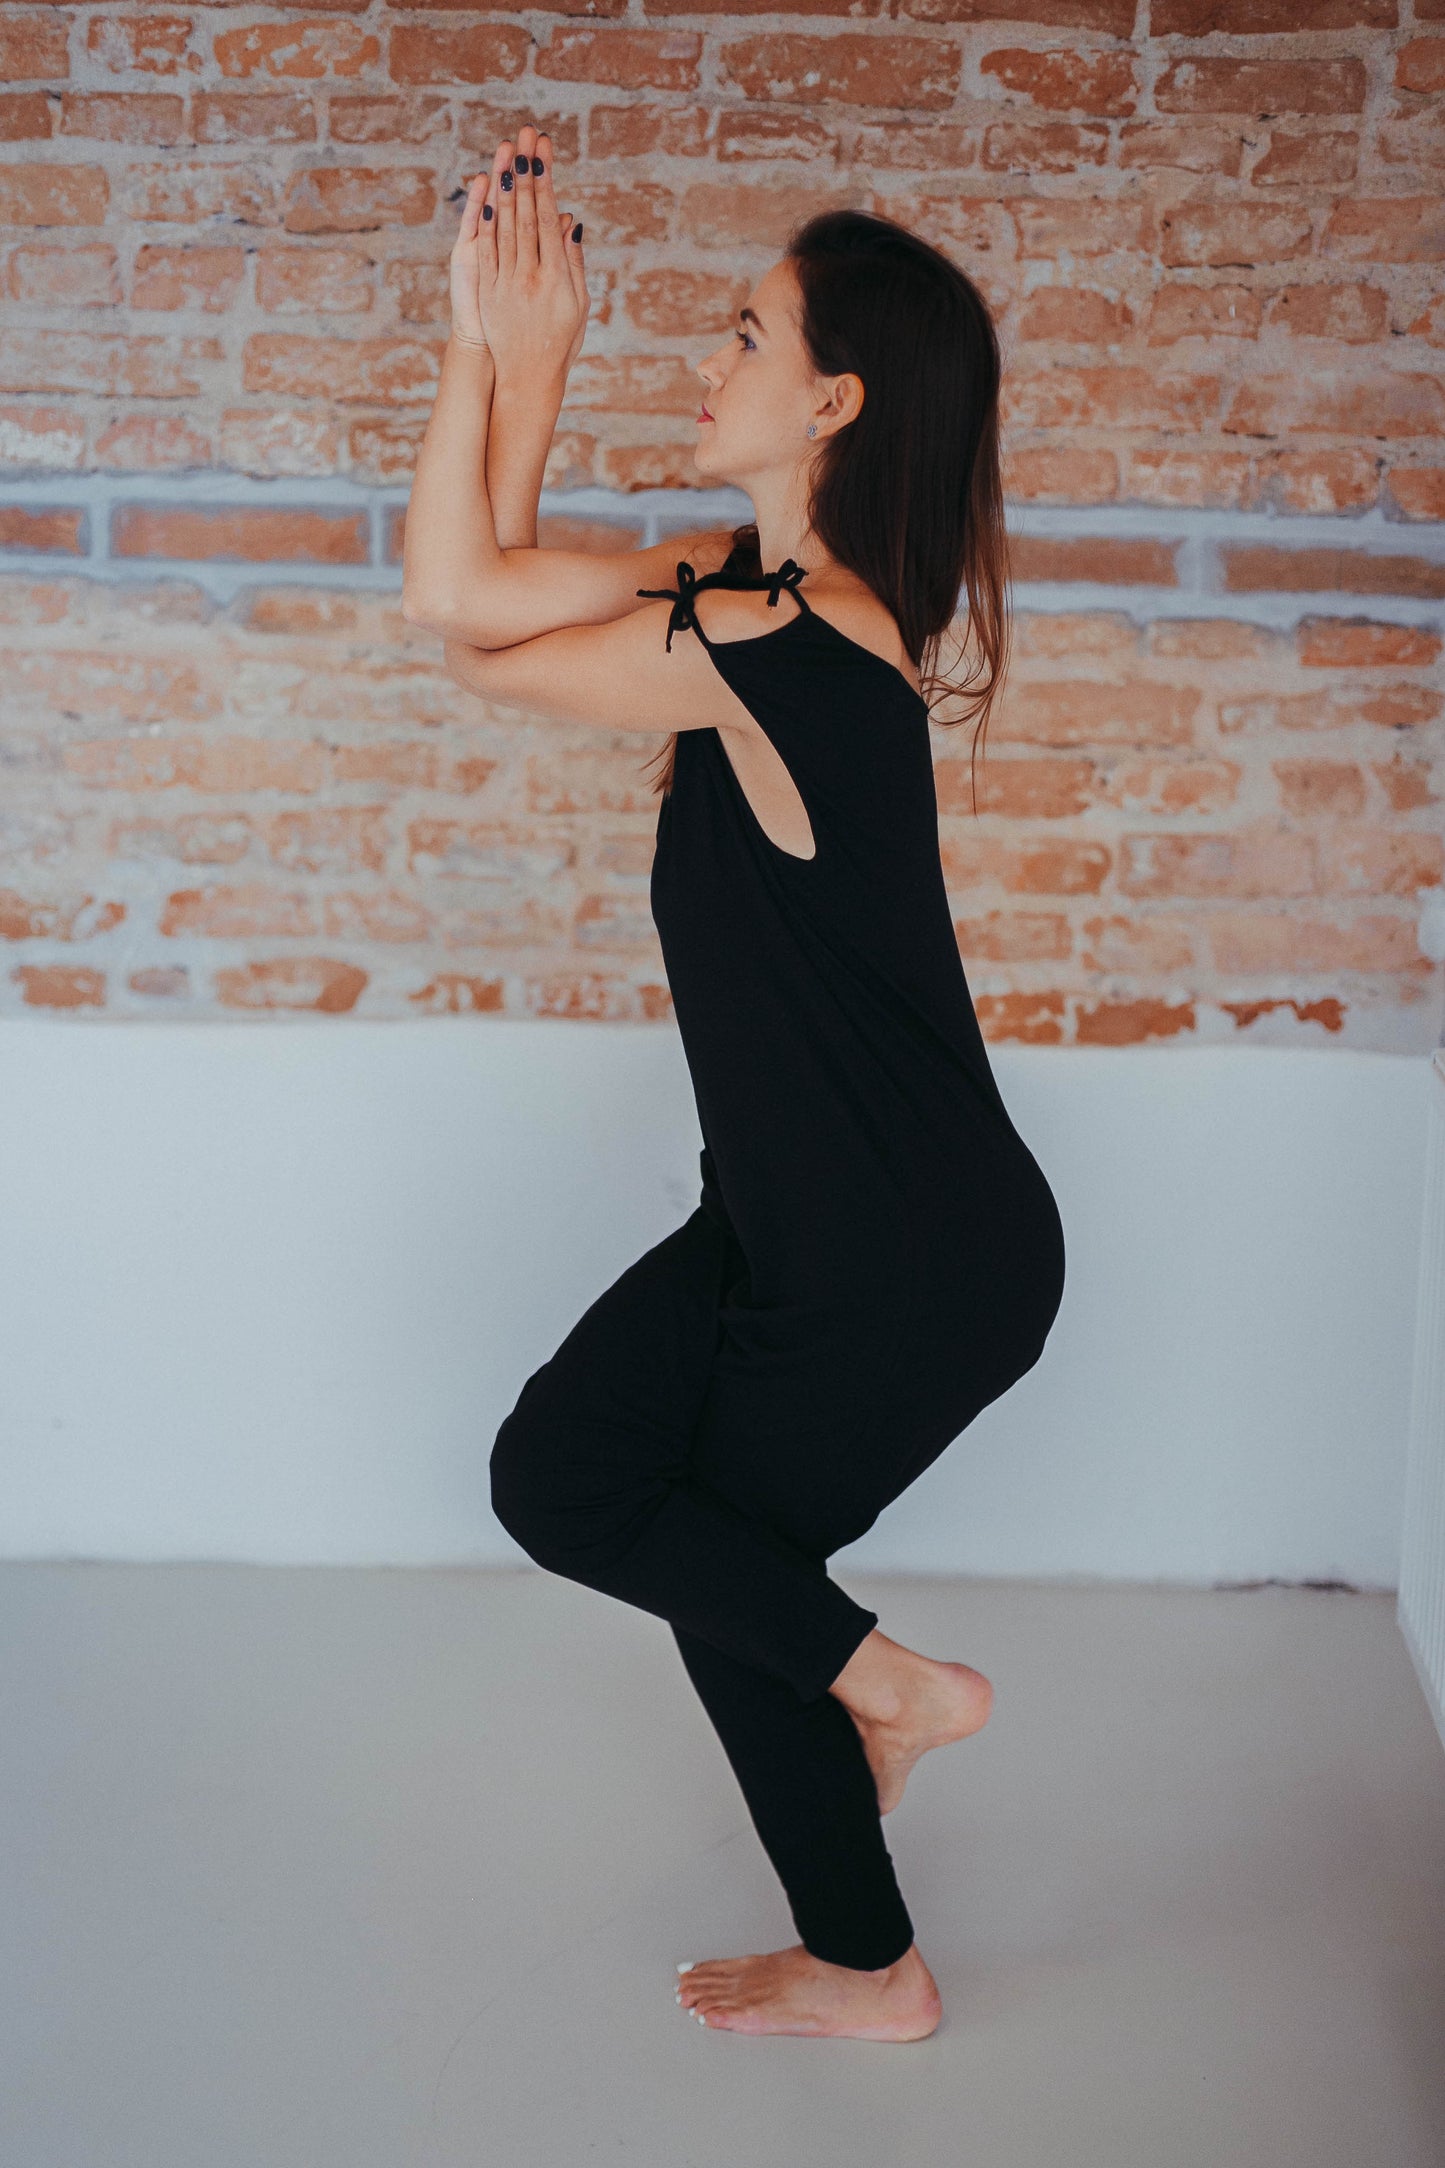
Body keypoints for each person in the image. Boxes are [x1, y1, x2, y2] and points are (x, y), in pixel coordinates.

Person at [402, 124, 1067, 2044]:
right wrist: (511, 358)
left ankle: (887, 1766)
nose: (707, 360)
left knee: (659, 1531)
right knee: (671, 1529)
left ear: (832, 401)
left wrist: (503, 357)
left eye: (745, 334)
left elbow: (457, 597)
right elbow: (483, 628)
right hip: (800, 1222)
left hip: (907, 1252)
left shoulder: (805, 635)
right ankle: (874, 1876)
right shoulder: (747, 593)